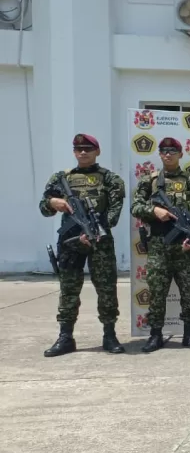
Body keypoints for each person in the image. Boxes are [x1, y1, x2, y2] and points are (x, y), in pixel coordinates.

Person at [39, 134, 127, 357]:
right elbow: (44, 207)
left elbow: (114, 214)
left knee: (106, 289)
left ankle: (109, 335)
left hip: (99, 241)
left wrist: (96, 231)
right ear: (74, 152)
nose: (83, 152)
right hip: (69, 243)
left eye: (88, 149)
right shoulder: (61, 178)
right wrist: (53, 202)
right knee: (69, 290)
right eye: (78, 149)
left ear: (97, 151)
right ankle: (65, 337)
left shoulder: (111, 179)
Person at [130, 137, 190, 352]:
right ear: (160, 154)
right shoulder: (150, 181)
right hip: (158, 245)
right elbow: (135, 206)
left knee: (189, 291)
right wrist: (154, 211)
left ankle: (189, 334)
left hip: (185, 246)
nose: (168, 154)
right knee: (157, 292)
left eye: (173, 151)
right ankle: (155, 335)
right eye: (164, 151)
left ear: (181, 154)